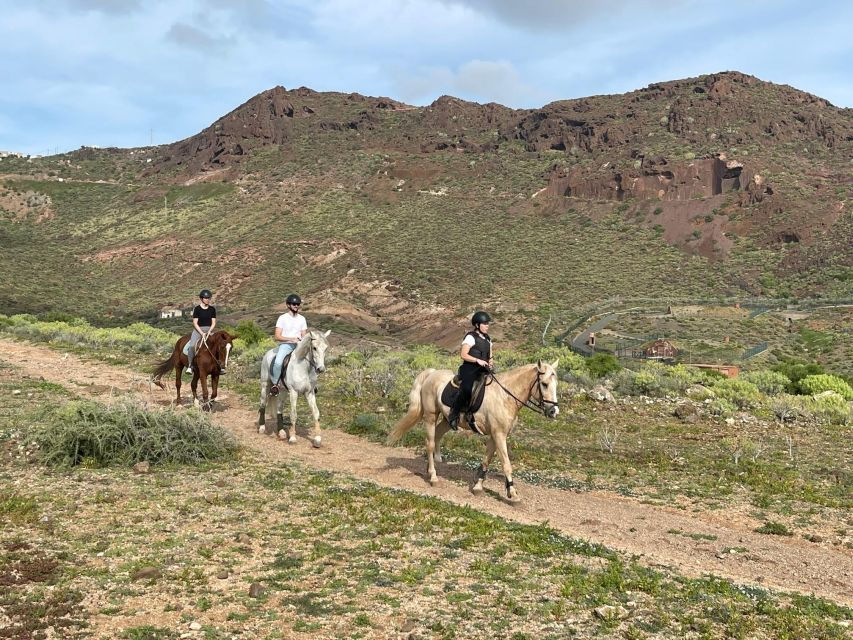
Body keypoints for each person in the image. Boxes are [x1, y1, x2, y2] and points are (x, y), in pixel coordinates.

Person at [448, 311, 493, 430]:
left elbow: (490, 355)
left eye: (488, 323)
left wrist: (490, 361)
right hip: (469, 369)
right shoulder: (470, 337)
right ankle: (454, 414)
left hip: (483, 370)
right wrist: (477, 360)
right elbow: (463, 354)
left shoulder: (488, 339)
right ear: (477, 325)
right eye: (484, 323)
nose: (487, 325)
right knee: (467, 388)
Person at [270, 293, 307, 396]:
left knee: (312, 360)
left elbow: (304, 335)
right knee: (278, 362)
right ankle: (275, 384)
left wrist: (303, 341)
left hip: (299, 346)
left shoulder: (302, 319)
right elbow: (277, 336)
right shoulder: (282, 318)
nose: (296, 306)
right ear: (288, 305)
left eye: (298, 304)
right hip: (286, 345)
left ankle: (311, 383)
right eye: (294, 304)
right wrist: (291, 339)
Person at [186, 289, 216, 373]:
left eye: (209, 298)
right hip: (198, 330)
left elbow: (213, 322)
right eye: (206, 298)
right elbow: (195, 323)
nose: (208, 300)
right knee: (192, 346)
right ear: (202, 299)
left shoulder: (212, 309)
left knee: (218, 345)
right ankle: (190, 365)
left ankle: (219, 366)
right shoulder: (197, 309)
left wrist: (209, 331)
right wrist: (202, 333)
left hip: (209, 329)